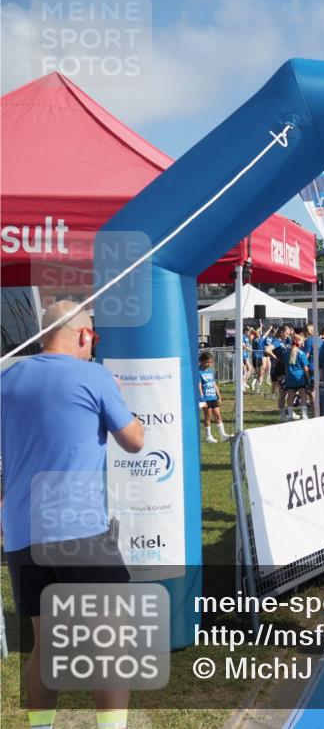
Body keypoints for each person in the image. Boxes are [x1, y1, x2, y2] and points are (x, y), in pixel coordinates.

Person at [1, 300, 145, 729]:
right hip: (79, 528)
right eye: (93, 338)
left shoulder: (7, 377)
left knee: (46, 644)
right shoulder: (94, 375)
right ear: (83, 335)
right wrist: (115, 395)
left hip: (24, 531)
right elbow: (135, 440)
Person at [199, 351, 231, 439]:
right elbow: (199, 387)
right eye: (206, 362)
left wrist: (219, 396)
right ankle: (209, 436)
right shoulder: (198, 372)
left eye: (210, 362)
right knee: (207, 416)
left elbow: (214, 384)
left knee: (217, 414)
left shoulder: (210, 371)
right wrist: (202, 400)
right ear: (201, 361)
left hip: (213, 397)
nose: (209, 364)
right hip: (204, 398)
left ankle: (223, 435)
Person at [282, 334, 311, 421]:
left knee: (290, 396)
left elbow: (286, 366)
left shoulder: (287, 353)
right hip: (299, 377)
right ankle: (304, 414)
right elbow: (305, 368)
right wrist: (308, 378)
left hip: (290, 377)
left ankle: (290, 415)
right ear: (299, 342)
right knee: (303, 395)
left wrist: (287, 376)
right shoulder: (301, 353)